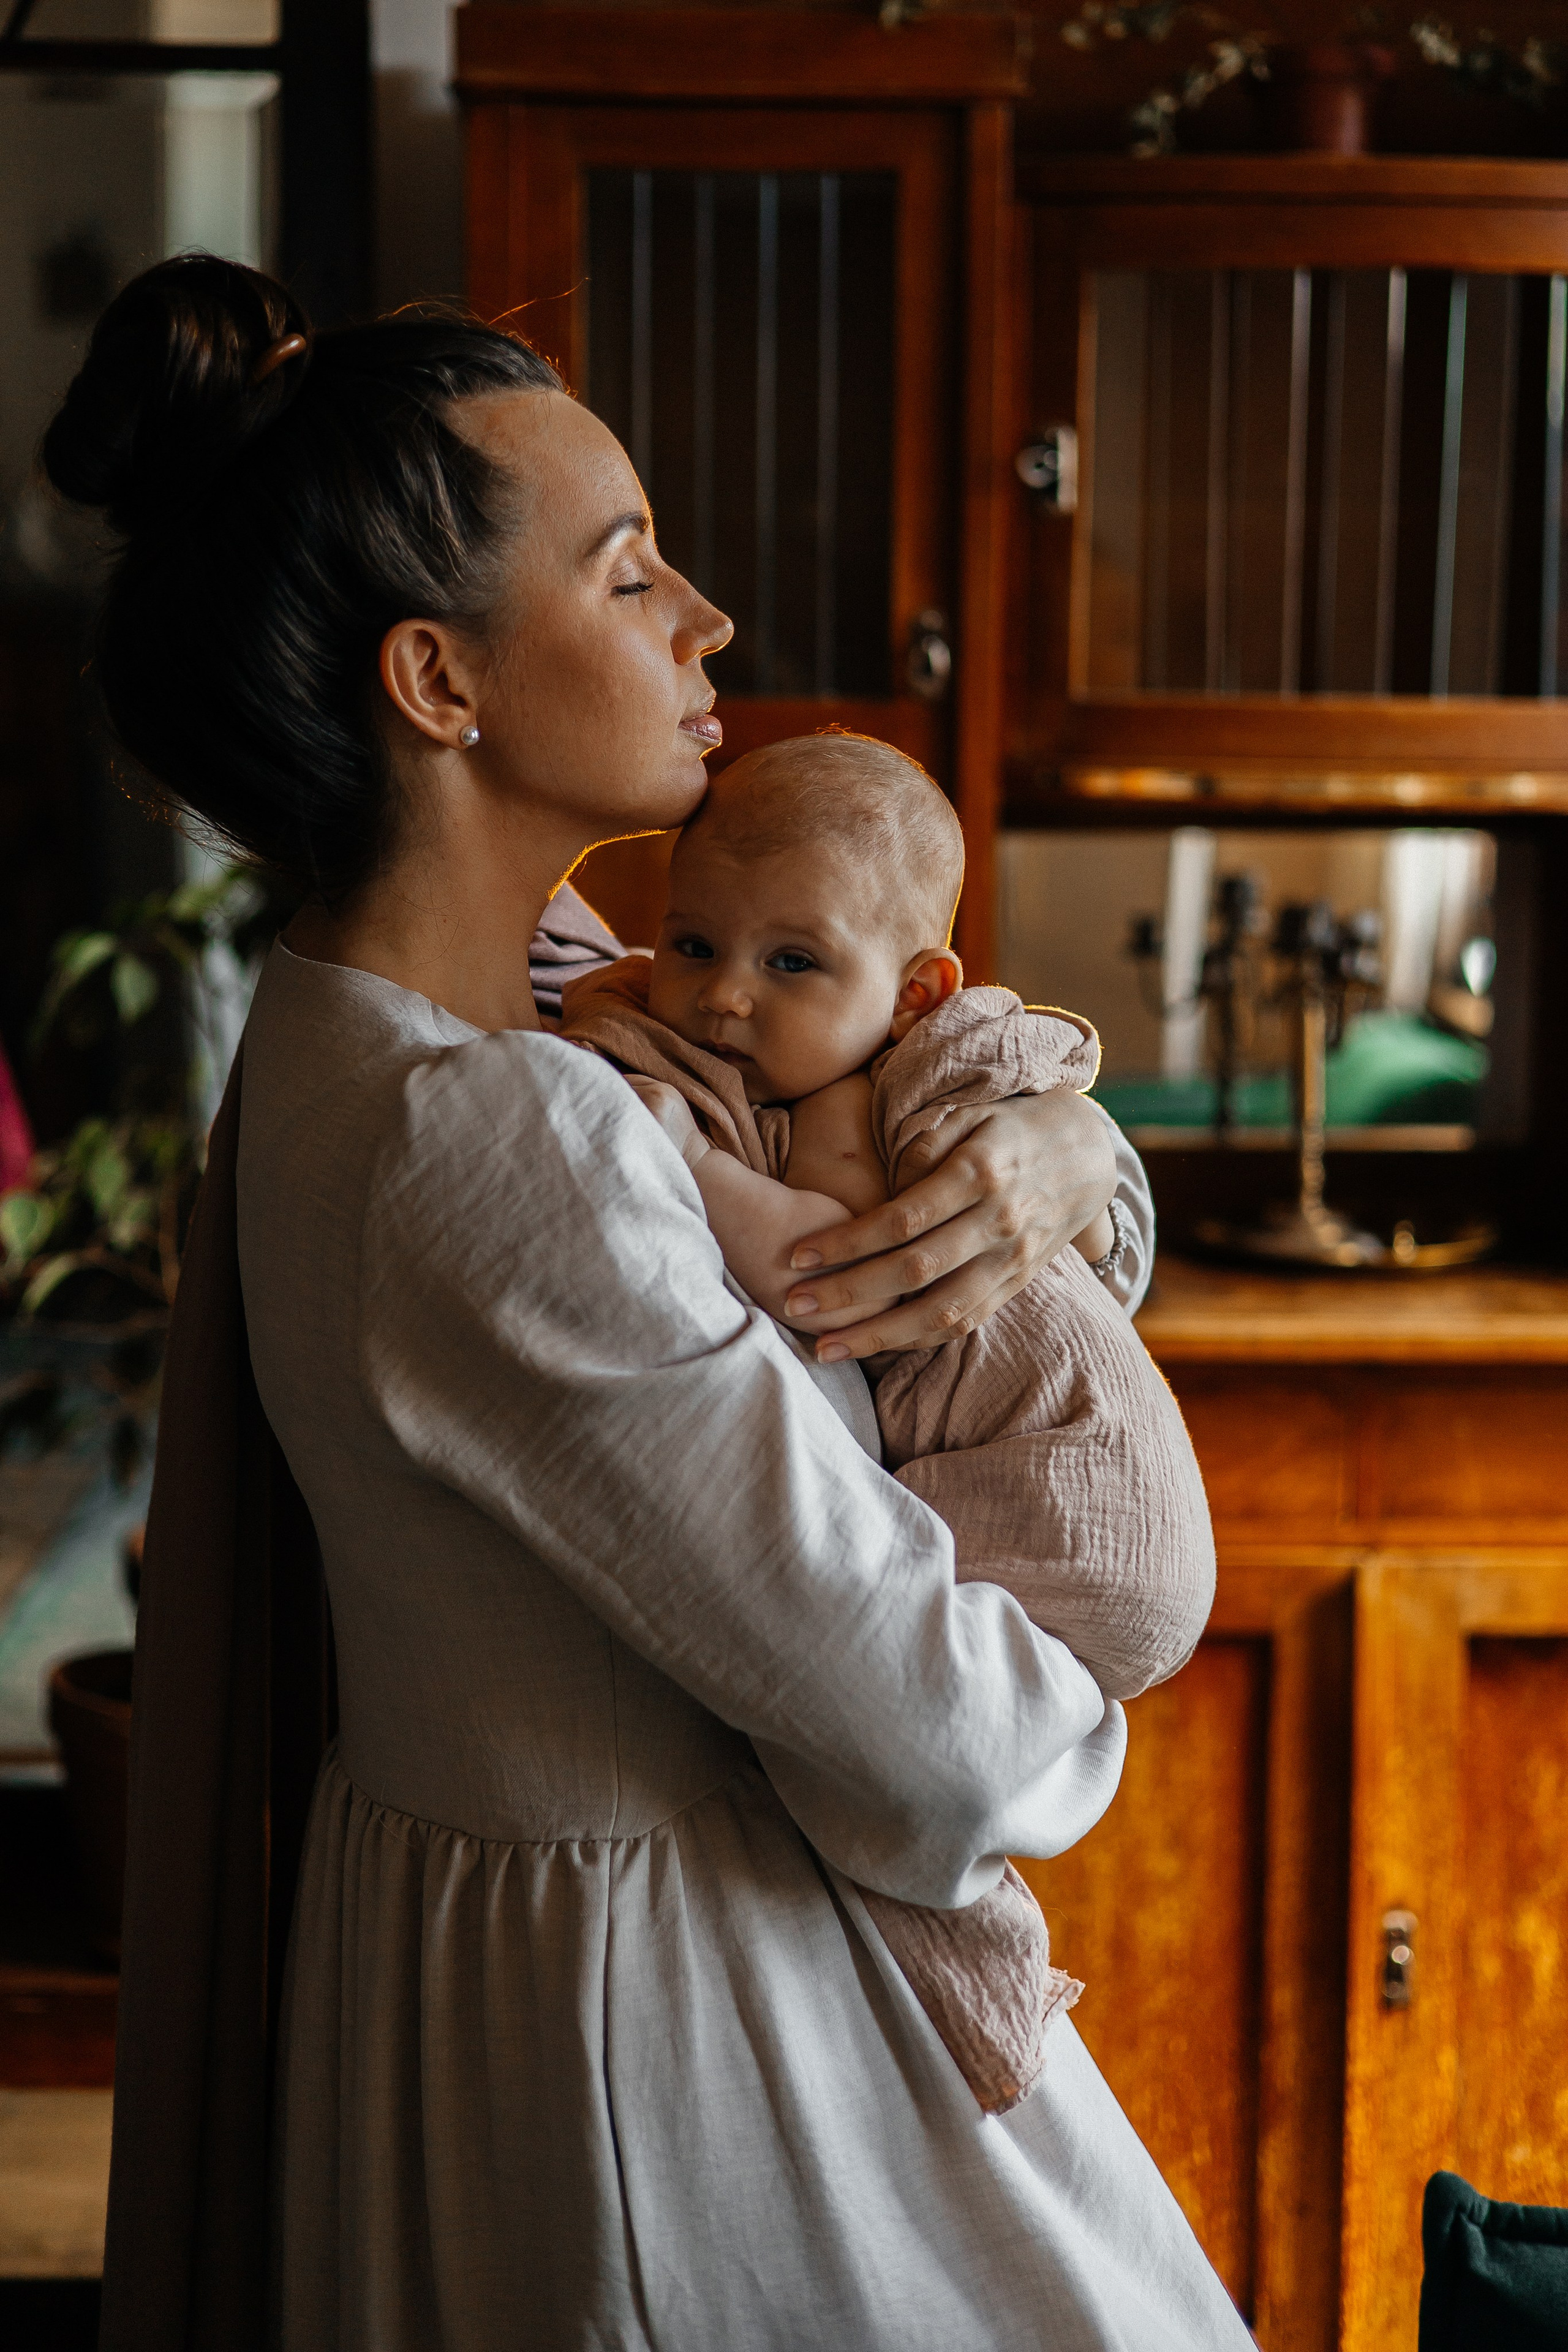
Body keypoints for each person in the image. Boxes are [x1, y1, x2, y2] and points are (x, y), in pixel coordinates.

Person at [44, 254, 1250, 2348]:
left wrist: (1070, 1153)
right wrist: (1090, 1689)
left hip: (485, 1958)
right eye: (628, 574)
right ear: (441, 685)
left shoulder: (417, 1003)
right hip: (675, 2039)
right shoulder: (502, 1137)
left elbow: (905, 1122)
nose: (705, 618)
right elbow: (941, 1735)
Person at [561, 732, 1215, 2114]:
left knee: (862, 1754)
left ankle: (967, 1971)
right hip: (1087, 1516)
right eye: (692, 943)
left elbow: (825, 1269)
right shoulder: (633, 1006)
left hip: (1072, 1492)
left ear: (917, 993)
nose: (725, 997)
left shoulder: (864, 1097)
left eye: (791, 963)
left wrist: (678, 1157)